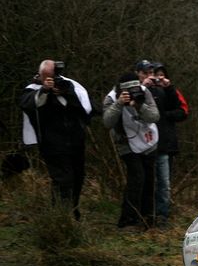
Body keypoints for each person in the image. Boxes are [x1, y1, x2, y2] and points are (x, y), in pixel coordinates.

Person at [19, 60, 93, 219]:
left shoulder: (69, 85)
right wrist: (45, 91)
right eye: (46, 77)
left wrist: (65, 93)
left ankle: (73, 210)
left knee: (78, 176)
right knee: (62, 179)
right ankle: (60, 217)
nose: (50, 80)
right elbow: (29, 104)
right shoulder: (32, 89)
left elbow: (83, 110)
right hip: (52, 144)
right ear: (40, 75)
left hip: (75, 141)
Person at [103, 69, 160, 230]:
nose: (132, 93)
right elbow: (107, 122)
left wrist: (139, 105)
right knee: (137, 178)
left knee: (149, 180)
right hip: (126, 144)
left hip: (148, 142)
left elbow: (154, 116)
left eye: (135, 89)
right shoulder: (111, 97)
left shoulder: (144, 92)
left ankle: (148, 218)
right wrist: (120, 103)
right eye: (128, 91)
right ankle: (128, 220)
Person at [147, 61, 189, 228]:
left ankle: (162, 216)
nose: (158, 78)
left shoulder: (170, 90)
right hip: (144, 144)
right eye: (155, 75)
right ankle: (147, 215)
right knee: (148, 182)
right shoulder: (143, 89)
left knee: (164, 183)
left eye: (161, 75)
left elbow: (183, 111)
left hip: (165, 144)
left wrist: (168, 89)